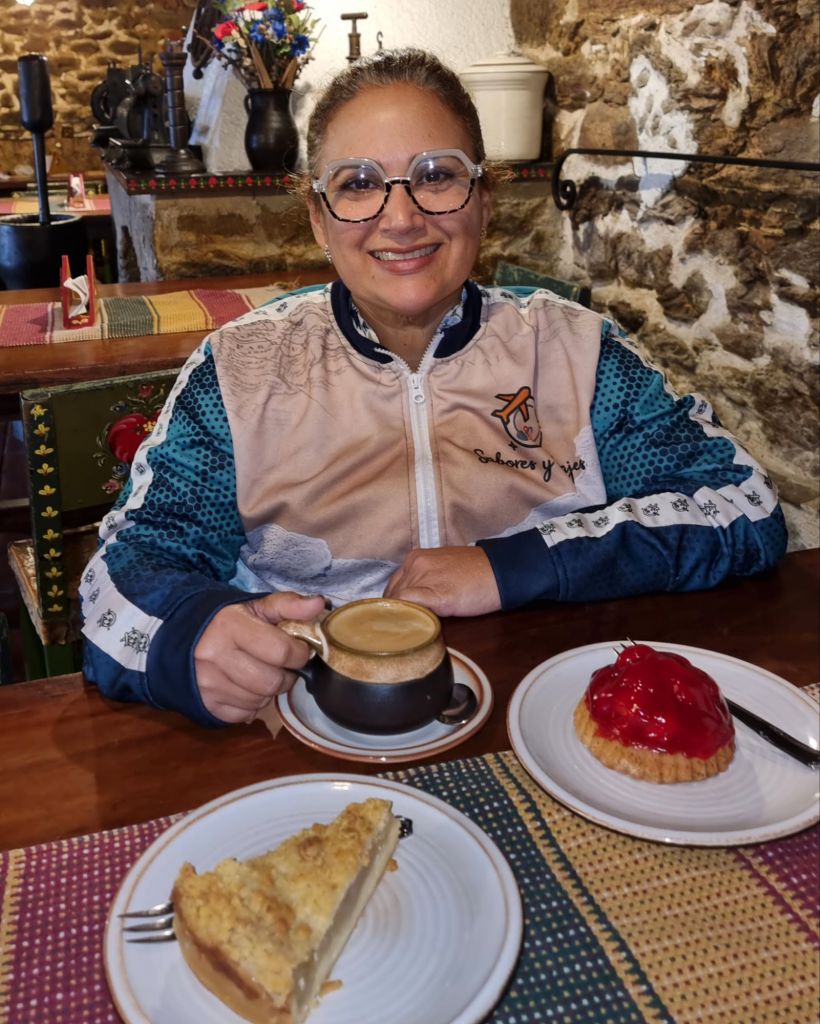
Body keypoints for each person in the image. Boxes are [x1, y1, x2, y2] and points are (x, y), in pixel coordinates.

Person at [79, 48, 787, 727]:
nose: (401, 218)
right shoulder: (241, 370)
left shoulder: (578, 354)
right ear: (319, 219)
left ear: (484, 201)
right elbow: (127, 570)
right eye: (358, 184)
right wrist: (189, 638)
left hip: (547, 716)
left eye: (437, 175)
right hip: (306, 726)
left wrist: (512, 566)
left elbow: (742, 508)